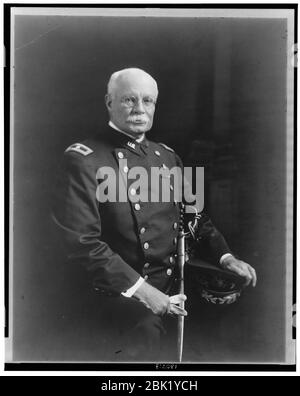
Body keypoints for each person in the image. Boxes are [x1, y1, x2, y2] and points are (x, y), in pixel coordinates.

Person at [52, 67, 257, 361]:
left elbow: (195, 218)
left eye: (147, 101)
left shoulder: (167, 156)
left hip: (175, 289)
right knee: (144, 341)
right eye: (129, 100)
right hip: (119, 296)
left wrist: (226, 257)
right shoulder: (84, 159)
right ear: (109, 102)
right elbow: (82, 243)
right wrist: (145, 292)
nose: (139, 109)